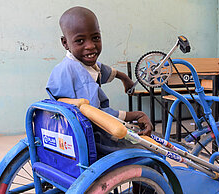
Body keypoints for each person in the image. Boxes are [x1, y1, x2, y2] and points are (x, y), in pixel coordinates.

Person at [46, 6, 152, 157]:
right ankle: (145, 180)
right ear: (65, 43)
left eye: (95, 38)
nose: (90, 46)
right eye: (80, 40)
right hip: (94, 141)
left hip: (70, 135)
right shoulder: (80, 76)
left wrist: (124, 78)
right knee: (149, 152)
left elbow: (102, 70)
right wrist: (136, 115)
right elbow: (99, 116)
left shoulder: (69, 66)